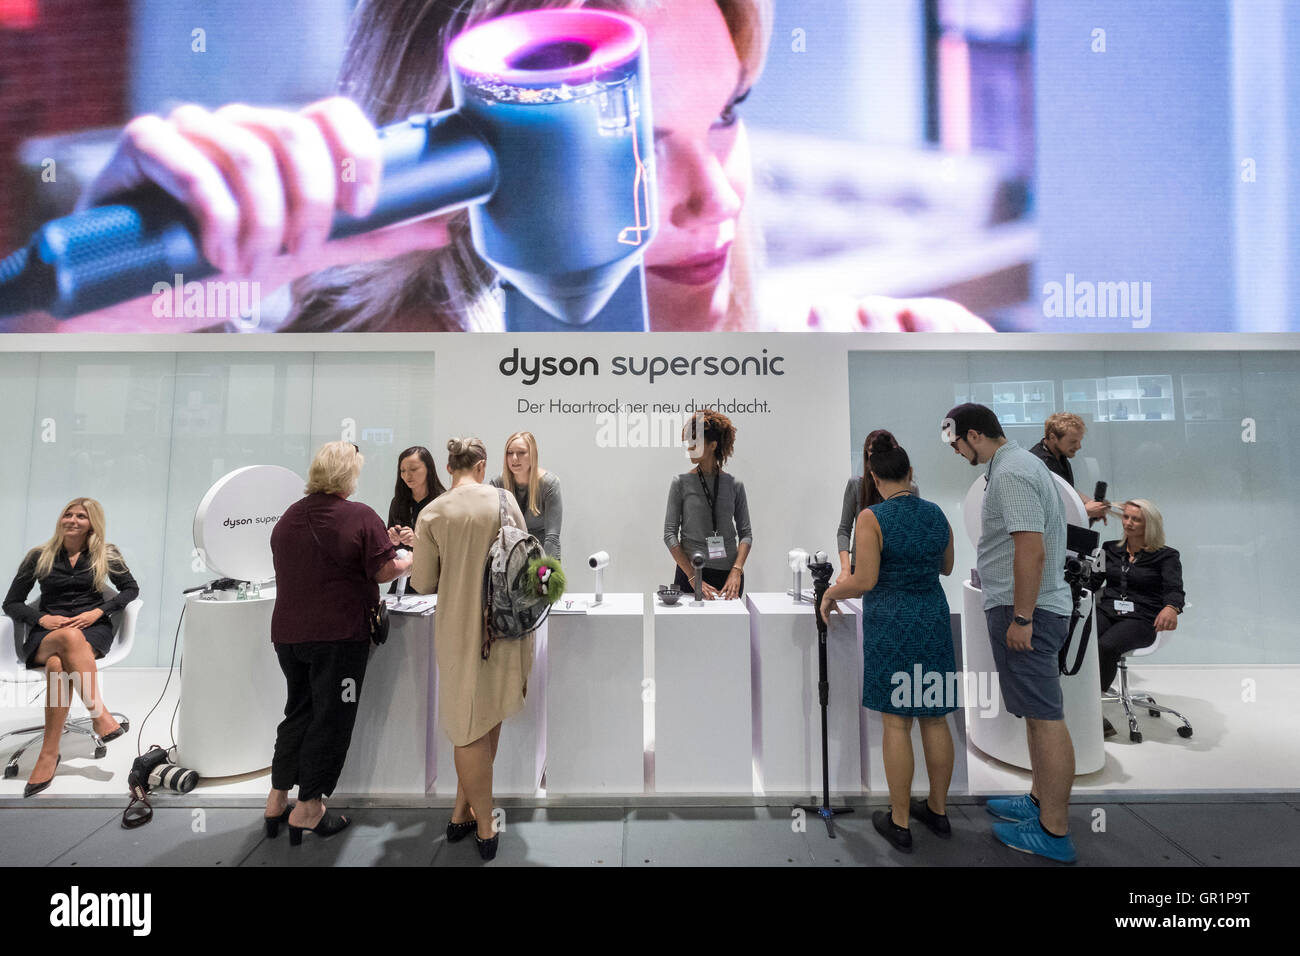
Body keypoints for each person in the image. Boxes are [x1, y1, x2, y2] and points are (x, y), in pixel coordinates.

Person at [58, 0, 995, 335]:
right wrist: (64, 336)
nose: (718, 195)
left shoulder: (823, 359)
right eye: (634, 139)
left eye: (724, 116)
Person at [944, 402, 1077, 863]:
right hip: (1026, 608)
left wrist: (1022, 617)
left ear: (974, 435)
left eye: (958, 444)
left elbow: (1030, 549)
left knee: (1045, 719)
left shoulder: (1014, 471)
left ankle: (1054, 831)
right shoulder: (1015, 466)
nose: (959, 453)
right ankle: (1040, 801)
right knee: (1035, 717)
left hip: (1031, 613)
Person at [264, 441, 410, 844]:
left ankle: (277, 801)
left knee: (298, 712)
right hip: (338, 637)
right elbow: (384, 571)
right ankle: (309, 809)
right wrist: (408, 558)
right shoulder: (359, 515)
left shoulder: (288, 518)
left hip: (289, 635)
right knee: (331, 719)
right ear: (349, 475)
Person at [822, 434, 956, 853]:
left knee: (897, 722)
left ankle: (899, 821)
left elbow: (865, 581)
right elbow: (947, 566)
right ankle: (937, 810)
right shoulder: (936, 514)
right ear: (911, 474)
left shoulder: (871, 517)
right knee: (936, 718)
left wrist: (829, 594)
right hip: (933, 619)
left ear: (876, 477)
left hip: (892, 622)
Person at [411, 438, 532, 861]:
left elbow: (423, 582)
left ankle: (483, 825)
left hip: (461, 633)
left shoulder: (433, 512)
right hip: (505, 628)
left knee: (466, 726)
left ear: (449, 468)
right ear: (481, 465)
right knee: (487, 717)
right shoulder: (503, 500)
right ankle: (464, 810)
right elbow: (524, 558)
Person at [3, 498, 137, 796]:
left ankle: (48, 754)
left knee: (57, 665)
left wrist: (100, 611)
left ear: (92, 523)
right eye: (68, 514)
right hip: (47, 635)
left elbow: (131, 589)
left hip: (92, 631)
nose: (73, 520)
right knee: (67, 638)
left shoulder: (107, 554)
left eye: (81, 516)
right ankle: (99, 715)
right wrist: (42, 617)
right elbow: (10, 602)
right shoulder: (39, 556)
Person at [1094, 499, 1185, 735]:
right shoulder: (1107, 548)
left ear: (1150, 525)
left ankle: (1092, 709)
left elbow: (1174, 590)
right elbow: (1092, 582)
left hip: (1142, 618)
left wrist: (1171, 608)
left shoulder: (1166, 556)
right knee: (1079, 639)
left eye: (1136, 519)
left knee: (1105, 646)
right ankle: (1075, 699)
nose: (1129, 523)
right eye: (1126, 517)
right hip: (1108, 610)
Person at [664, 409, 751, 599]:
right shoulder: (680, 482)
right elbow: (669, 534)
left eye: (694, 443)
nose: (689, 448)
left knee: (728, 629)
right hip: (691, 575)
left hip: (729, 578)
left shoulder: (734, 485)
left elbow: (746, 534)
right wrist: (692, 576)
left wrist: (737, 570)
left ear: (712, 445)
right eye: (688, 443)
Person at [836, 429, 918, 584]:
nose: (877, 461)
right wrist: (845, 570)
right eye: (872, 455)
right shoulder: (856, 485)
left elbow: (912, 531)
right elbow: (844, 530)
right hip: (860, 566)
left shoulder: (911, 490)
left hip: (895, 567)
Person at [489, 431, 562, 562]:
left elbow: (552, 537)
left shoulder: (549, 484)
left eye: (521, 453)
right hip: (508, 560)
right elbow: (491, 531)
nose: (514, 458)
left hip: (539, 556)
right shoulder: (497, 483)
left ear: (533, 455)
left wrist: (548, 572)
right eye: (509, 453)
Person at [386, 445, 446, 593]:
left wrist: (418, 542)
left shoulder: (443, 502)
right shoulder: (398, 502)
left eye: (413, 469)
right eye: (403, 471)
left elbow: (449, 549)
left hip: (432, 583)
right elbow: (388, 549)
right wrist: (391, 540)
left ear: (428, 469)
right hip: (402, 582)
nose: (407, 475)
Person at [1029, 412, 1110, 523]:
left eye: (1079, 441)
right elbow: (1047, 512)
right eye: (1073, 442)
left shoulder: (1058, 455)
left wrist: (1090, 503)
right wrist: (1085, 510)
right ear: (1053, 437)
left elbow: (1066, 489)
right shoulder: (1040, 465)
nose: (1078, 446)